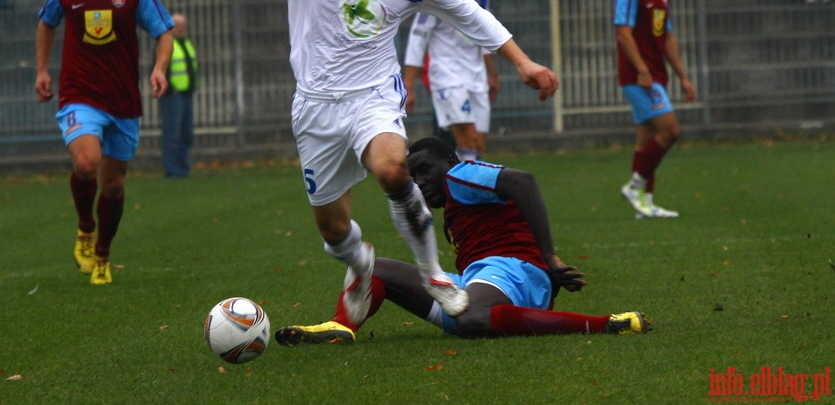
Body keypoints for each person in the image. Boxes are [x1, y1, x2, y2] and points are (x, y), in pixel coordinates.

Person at [232, 0, 559, 325]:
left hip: (374, 95)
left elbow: (470, 15)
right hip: (315, 104)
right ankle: (361, 265)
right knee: (333, 230)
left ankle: (433, 275)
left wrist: (523, 61)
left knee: (391, 170)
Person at [274, 136, 650, 345]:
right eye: (413, 175)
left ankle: (604, 324)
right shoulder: (454, 206)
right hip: (482, 279)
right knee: (375, 268)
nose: (419, 183)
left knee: (472, 319)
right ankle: (341, 326)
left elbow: (523, 182)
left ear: (450, 161)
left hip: (516, 271)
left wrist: (548, 259)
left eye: (425, 171)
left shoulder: (462, 175)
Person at [35, 0, 174, 285]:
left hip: (123, 100)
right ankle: (84, 228)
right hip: (79, 94)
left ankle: (102, 254)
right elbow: (47, 22)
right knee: (86, 162)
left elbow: (164, 31)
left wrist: (159, 68)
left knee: (113, 185)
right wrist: (43, 69)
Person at [615, 0, 696, 220]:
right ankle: (635, 186)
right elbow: (623, 31)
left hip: (654, 73)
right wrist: (641, 68)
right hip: (639, 75)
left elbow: (668, 36)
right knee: (670, 131)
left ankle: (644, 204)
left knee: (646, 138)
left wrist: (683, 77)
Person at [404, 0, 499, 162]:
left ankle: (454, 189)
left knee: (479, 144)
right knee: (466, 137)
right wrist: (408, 83)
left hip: (475, 74)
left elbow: (484, 32)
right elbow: (418, 38)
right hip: (446, 74)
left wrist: (492, 74)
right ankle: (467, 194)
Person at [160, 13, 199, 178]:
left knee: (186, 133)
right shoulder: (166, 44)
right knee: (172, 134)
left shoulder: (186, 43)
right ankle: (173, 170)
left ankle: (183, 168)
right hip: (172, 95)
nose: (182, 27)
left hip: (186, 94)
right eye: (178, 24)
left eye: (183, 24)